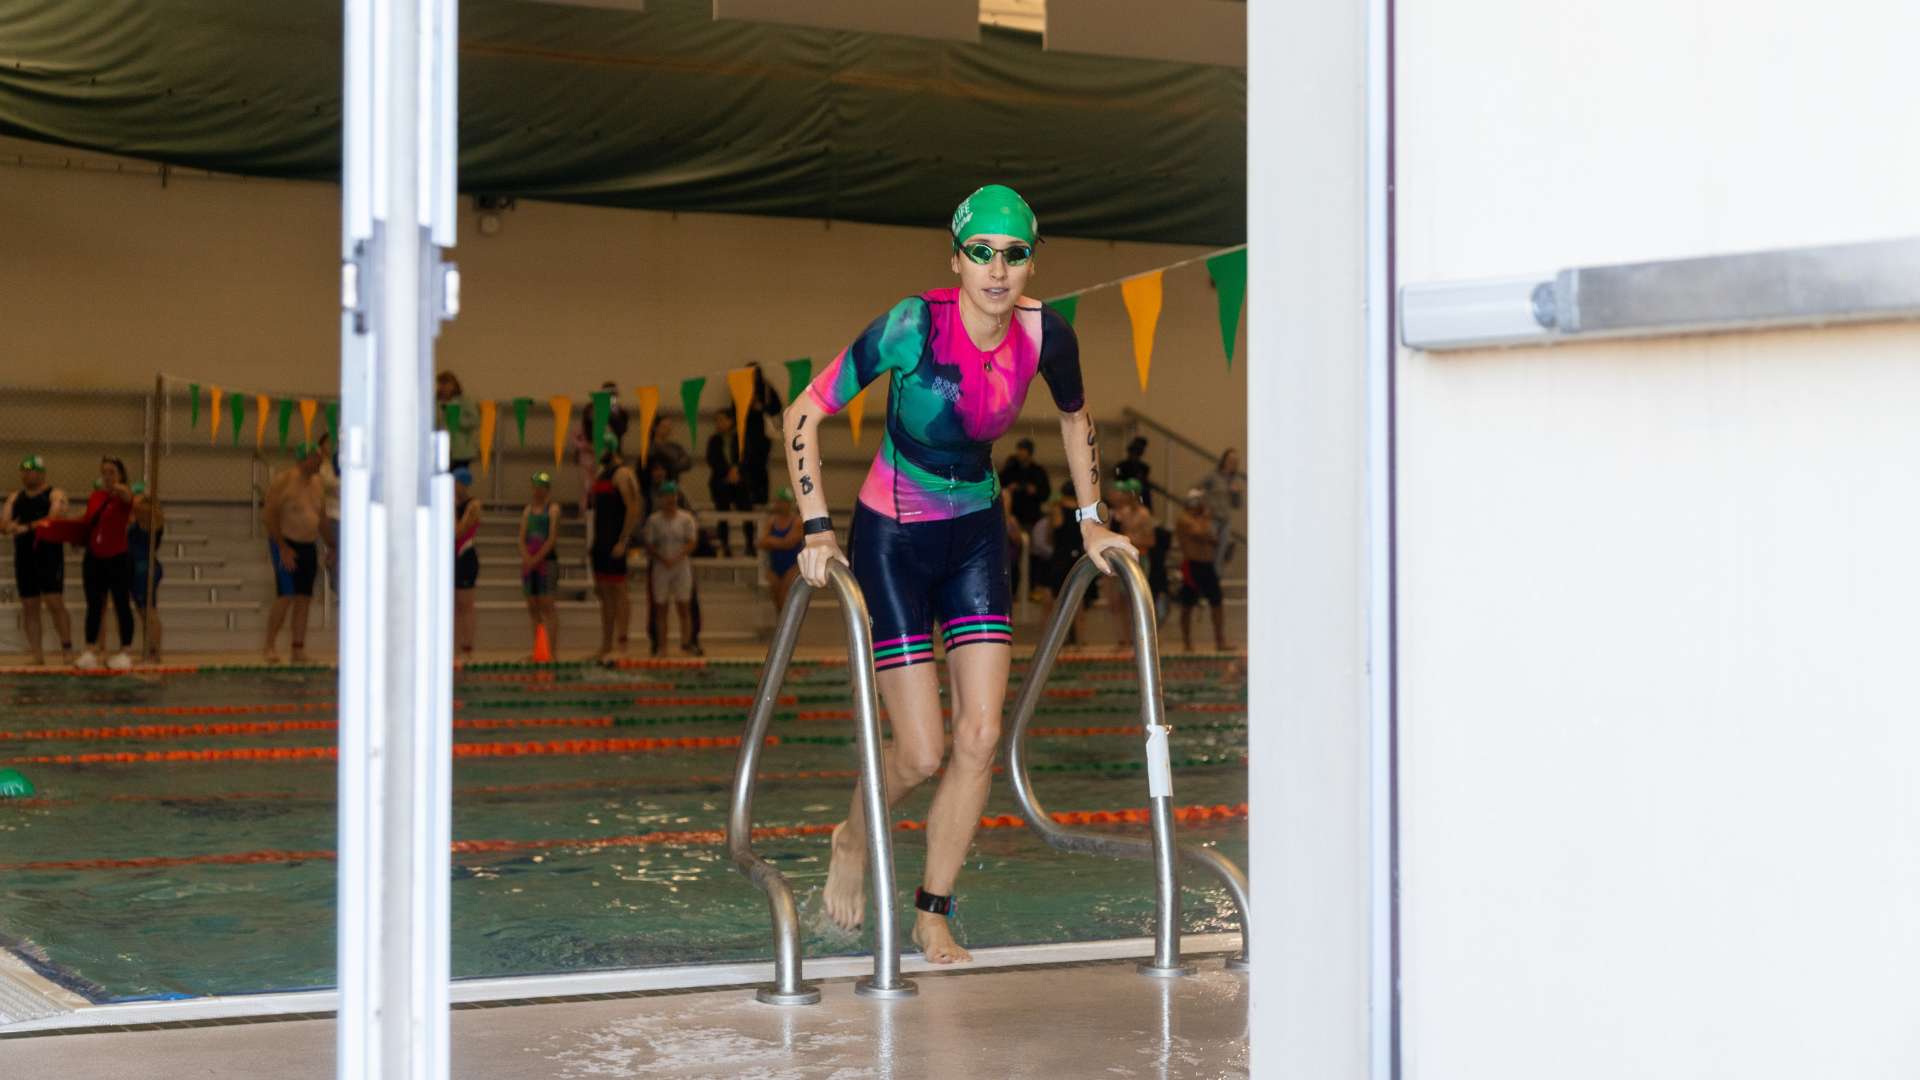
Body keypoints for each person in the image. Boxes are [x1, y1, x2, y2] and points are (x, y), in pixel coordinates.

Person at [786, 184, 1132, 964]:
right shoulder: (914, 325)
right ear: (957, 258)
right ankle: (852, 835)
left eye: (1013, 255)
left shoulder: (1048, 335)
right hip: (894, 535)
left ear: (1029, 262)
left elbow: (1077, 421)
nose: (998, 270)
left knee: (980, 736)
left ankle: (932, 910)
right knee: (920, 753)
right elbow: (802, 413)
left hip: (975, 533)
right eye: (983, 252)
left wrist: (1091, 519)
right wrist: (816, 525)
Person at [3, 454, 74, 666]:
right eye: (23, 470)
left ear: (41, 473)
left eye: (31, 470)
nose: (26, 474)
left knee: (54, 602)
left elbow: (53, 518)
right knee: (29, 605)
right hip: (25, 556)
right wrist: (9, 527)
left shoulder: (55, 494)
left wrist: (24, 527)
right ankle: (37, 654)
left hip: (49, 555)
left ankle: (67, 649)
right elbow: (4, 522)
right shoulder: (15, 497)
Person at [264, 442, 326, 664]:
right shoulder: (284, 481)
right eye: (317, 458)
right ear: (304, 458)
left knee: (304, 598)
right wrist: (282, 547)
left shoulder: (318, 483)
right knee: (286, 595)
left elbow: (323, 517)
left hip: (308, 545)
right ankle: (269, 646)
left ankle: (297, 649)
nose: (321, 461)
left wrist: (333, 547)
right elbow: (269, 515)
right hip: (285, 543)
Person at [77, 457, 137, 671]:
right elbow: (88, 521)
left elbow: (128, 496)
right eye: (104, 472)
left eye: (112, 472)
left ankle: (125, 650)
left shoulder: (124, 497)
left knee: (121, 604)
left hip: (117, 557)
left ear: (120, 475)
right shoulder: (96, 496)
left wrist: (118, 486)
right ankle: (90, 649)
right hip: (94, 556)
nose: (107, 476)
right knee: (94, 605)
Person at [587, 445, 641, 663]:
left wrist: (623, 540)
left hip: (615, 542)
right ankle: (606, 644)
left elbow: (633, 507)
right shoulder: (602, 474)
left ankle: (622, 644)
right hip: (601, 541)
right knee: (604, 594)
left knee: (619, 593)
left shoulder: (623, 473)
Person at [641, 481, 700, 656]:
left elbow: (691, 541)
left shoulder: (686, 519)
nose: (670, 499)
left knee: (684, 605)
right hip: (661, 566)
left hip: (681, 565)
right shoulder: (654, 520)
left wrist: (677, 557)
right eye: (667, 496)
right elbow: (649, 544)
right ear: (661, 499)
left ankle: (686, 643)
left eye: (673, 496)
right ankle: (662, 646)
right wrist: (663, 558)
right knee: (661, 607)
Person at [1175, 488, 1230, 652]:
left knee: (1217, 601)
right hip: (1192, 566)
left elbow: (1213, 538)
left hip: (1207, 566)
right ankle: (1187, 642)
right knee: (1187, 605)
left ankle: (1220, 640)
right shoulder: (1184, 519)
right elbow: (1200, 533)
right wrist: (1206, 519)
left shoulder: (1201, 519)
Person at [1105, 479, 1157, 649]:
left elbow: (1150, 540)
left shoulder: (1144, 514)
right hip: (1125, 558)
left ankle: (1139, 638)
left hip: (1140, 558)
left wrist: (1131, 539)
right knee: (1121, 600)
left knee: (1136, 599)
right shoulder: (1122, 513)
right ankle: (1126, 638)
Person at [518, 471, 560, 661]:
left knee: (547, 607)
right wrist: (527, 558)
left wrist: (536, 559)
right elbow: (521, 538)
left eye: (541, 487)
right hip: (529, 564)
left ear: (547, 489)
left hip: (546, 563)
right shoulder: (527, 510)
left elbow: (551, 539)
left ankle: (550, 652)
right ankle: (538, 650)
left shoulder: (553, 509)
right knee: (533, 608)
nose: (537, 490)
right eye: (535, 486)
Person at [706, 408, 754, 557]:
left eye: (721, 420)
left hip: (740, 480)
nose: (718, 423)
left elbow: (747, 457)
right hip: (721, 481)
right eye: (716, 421)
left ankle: (750, 544)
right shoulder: (714, 440)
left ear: (730, 421)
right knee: (722, 513)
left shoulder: (741, 437)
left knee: (746, 511)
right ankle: (724, 545)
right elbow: (712, 459)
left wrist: (736, 470)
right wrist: (727, 472)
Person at [128, 483, 165, 662]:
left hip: (145, 568)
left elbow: (138, 507)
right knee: (144, 612)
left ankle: (154, 653)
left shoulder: (151, 517)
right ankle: (149, 651)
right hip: (137, 568)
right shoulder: (139, 518)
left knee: (149, 612)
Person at [740, 362, 783, 508]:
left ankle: (761, 497)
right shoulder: (741, 389)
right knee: (746, 465)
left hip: (762, 434)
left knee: (761, 466)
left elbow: (776, 407)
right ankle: (748, 496)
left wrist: (761, 408)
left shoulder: (766, 389)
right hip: (745, 434)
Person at [757, 486, 804, 614]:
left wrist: (771, 541)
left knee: (784, 597)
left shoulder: (797, 521)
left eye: (784, 502)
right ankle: (782, 628)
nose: (781, 505)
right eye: (780, 501)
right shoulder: (772, 521)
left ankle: (787, 629)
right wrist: (779, 542)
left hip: (792, 566)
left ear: (789, 504)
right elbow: (761, 543)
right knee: (777, 600)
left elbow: (789, 543)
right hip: (775, 566)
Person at [1197, 446, 1244, 570]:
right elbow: (1198, 490)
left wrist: (1236, 493)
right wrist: (1204, 507)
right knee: (1208, 552)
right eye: (1230, 460)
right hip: (1212, 519)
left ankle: (1216, 580)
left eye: (1235, 461)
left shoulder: (1234, 480)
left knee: (1221, 555)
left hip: (1225, 522)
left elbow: (1237, 504)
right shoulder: (1213, 476)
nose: (1232, 463)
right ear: (1224, 460)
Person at [452, 466, 481, 662]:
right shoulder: (451, 503)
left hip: (466, 556)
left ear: (463, 484)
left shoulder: (474, 505)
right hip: (452, 557)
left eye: (456, 483)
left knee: (466, 605)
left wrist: (451, 509)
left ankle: (467, 648)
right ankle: (454, 648)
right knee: (453, 606)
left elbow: (457, 532)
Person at [997, 437, 1051, 531]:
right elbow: (999, 486)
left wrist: (1035, 491)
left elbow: (1045, 494)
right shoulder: (1010, 469)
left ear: (1029, 453)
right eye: (1019, 450)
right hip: (1012, 516)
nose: (1020, 453)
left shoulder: (1038, 472)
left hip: (1031, 517)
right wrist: (1009, 489)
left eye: (1023, 450)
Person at [434, 371, 481, 472]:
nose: (444, 387)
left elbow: (475, 421)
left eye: (447, 384)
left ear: (454, 385)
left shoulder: (464, 401)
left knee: (459, 481)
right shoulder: (435, 402)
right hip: (440, 449)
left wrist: (455, 417)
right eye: (441, 384)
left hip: (461, 451)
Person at [1115, 436, 1153, 510]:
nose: (1135, 455)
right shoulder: (1121, 466)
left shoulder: (1144, 468)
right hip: (1125, 490)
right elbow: (1118, 481)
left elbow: (1144, 482)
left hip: (1138, 492)